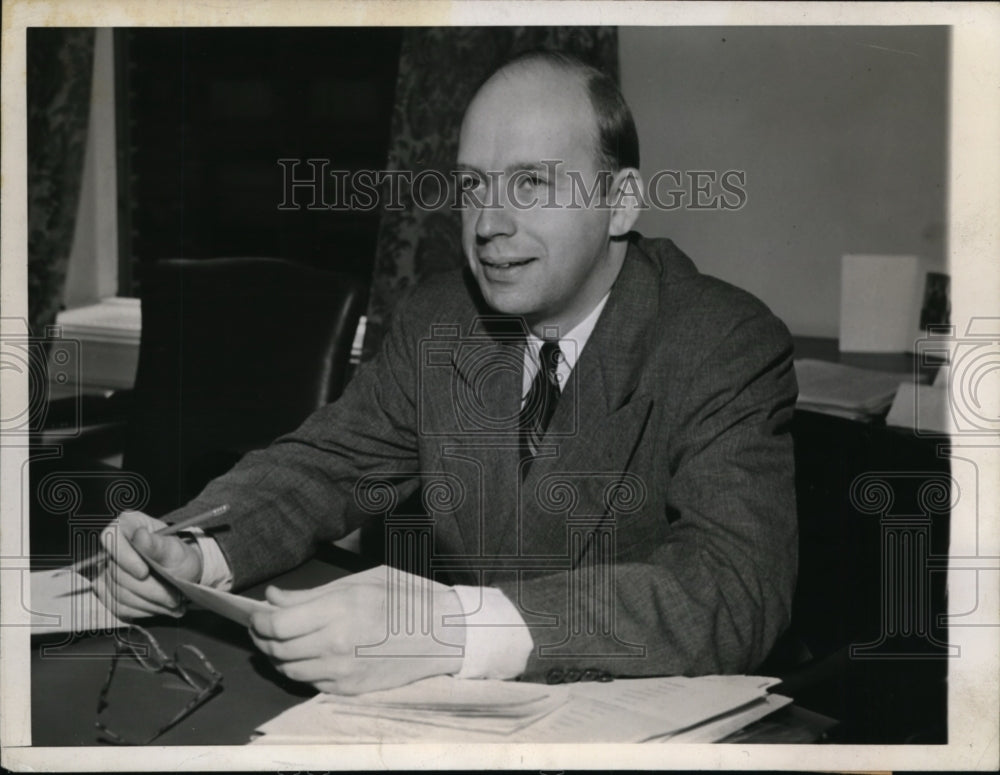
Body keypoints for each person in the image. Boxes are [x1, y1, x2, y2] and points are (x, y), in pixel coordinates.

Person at [95, 50, 798, 695]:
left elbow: (733, 587)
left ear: (619, 202)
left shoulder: (720, 340)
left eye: (530, 182)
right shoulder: (442, 317)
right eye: (472, 187)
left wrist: (450, 628)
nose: (488, 223)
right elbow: (326, 465)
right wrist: (191, 551)